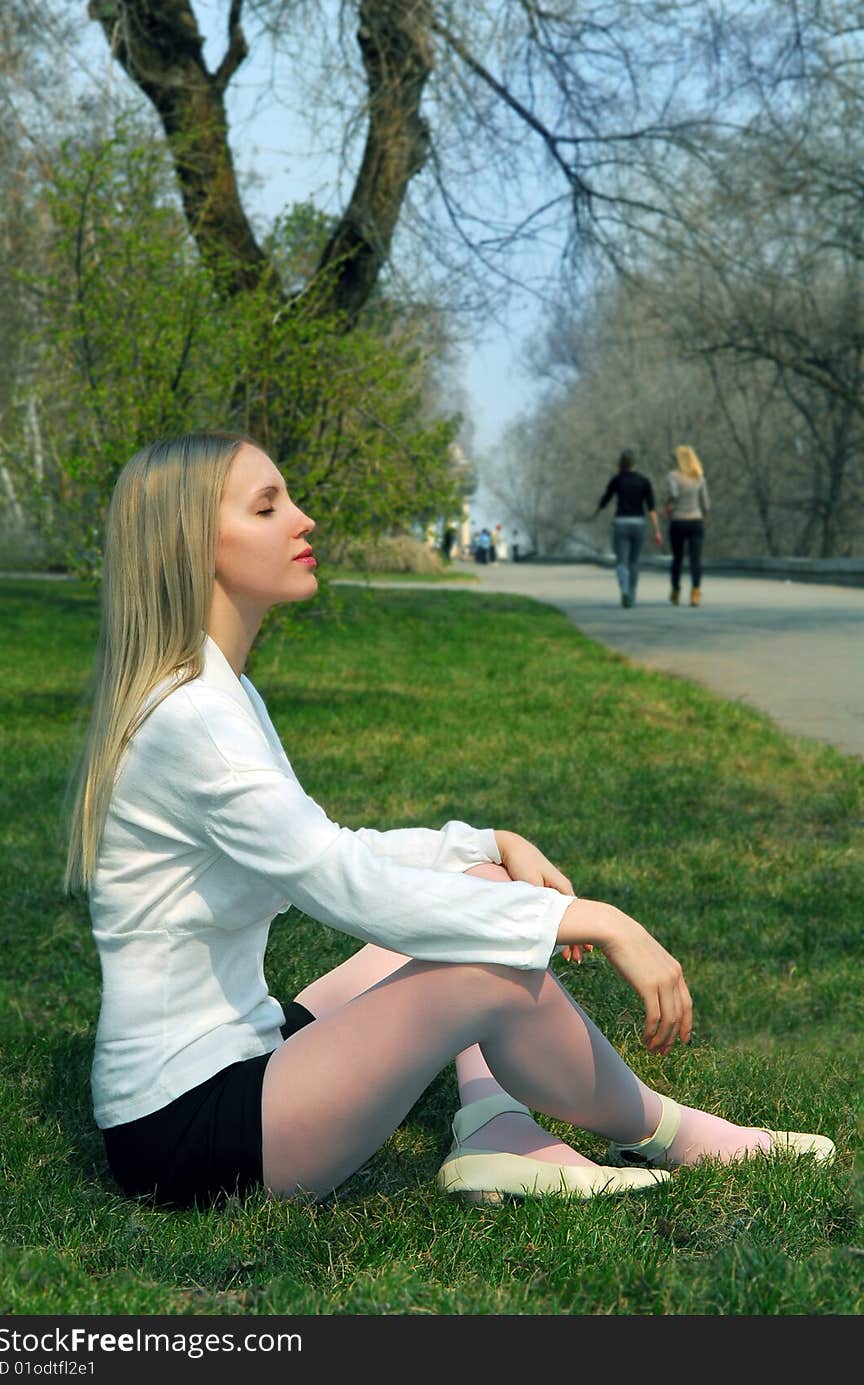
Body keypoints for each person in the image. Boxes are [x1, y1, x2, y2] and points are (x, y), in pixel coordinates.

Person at [65, 431, 835, 1211]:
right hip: (187, 1128)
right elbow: (341, 881)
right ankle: (676, 1133)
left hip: (251, 1048)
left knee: (475, 888)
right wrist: (589, 917)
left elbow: (332, 850)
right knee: (486, 960)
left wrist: (483, 844)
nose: (305, 521)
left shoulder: (217, 689)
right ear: (196, 546)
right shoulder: (194, 716)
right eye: (269, 506)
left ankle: (493, 1124)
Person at [596, 448, 662, 607]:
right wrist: (657, 531)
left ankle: (624, 590)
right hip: (639, 524)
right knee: (634, 562)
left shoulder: (617, 480)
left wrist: (599, 506)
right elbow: (651, 509)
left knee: (622, 562)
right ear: (634, 463)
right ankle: (631, 595)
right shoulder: (644, 481)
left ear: (621, 463)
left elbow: (605, 499)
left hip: (621, 524)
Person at [664, 444, 710, 606]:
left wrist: (668, 505)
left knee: (677, 558)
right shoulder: (699, 476)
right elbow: (706, 503)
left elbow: (674, 494)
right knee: (695, 559)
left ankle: (676, 591)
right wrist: (704, 517)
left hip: (678, 521)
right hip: (695, 521)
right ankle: (695, 592)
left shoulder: (673, 476)